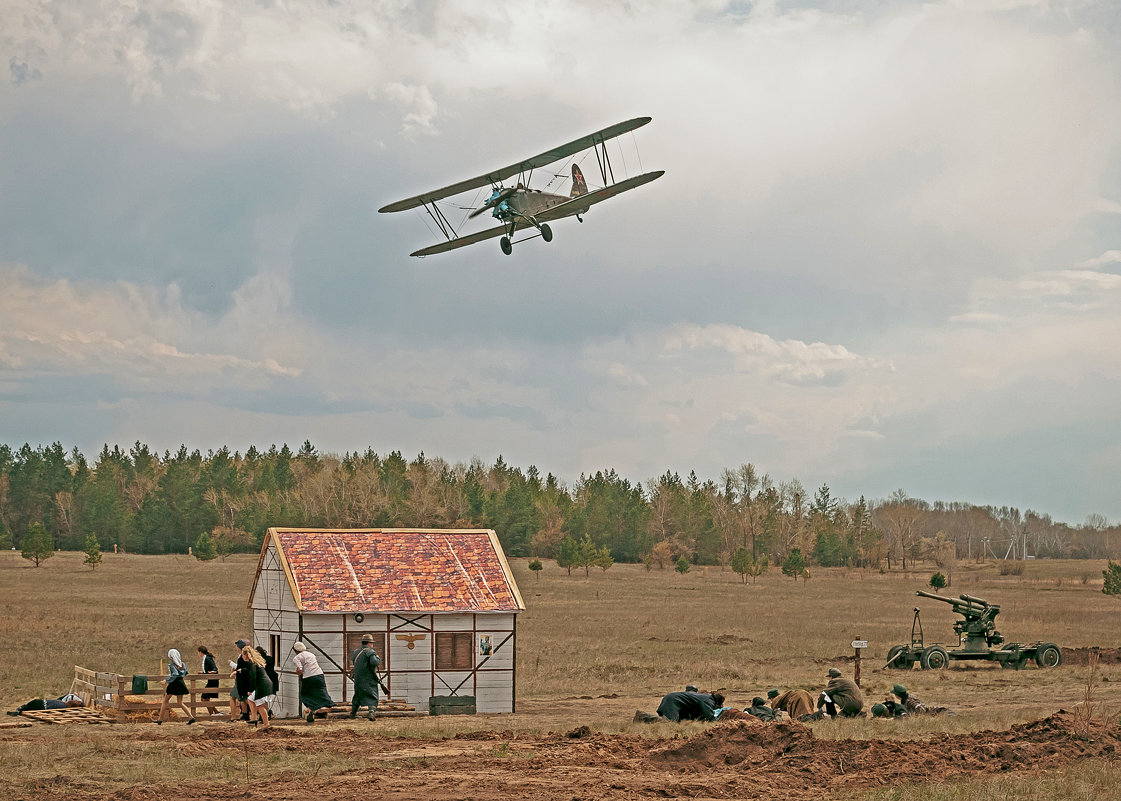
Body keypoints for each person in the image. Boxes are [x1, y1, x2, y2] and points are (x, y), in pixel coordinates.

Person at [293, 641, 335, 723]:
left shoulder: (297, 658)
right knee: (321, 691)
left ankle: (313, 709)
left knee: (305, 694)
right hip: (319, 674)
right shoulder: (311, 654)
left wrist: (298, 673)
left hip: (308, 677)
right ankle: (328, 704)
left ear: (295, 650)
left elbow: (300, 670)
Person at [157, 649, 194, 725]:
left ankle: (160, 719)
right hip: (181, 683)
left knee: (165, 701)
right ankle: (191, 717)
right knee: (180, 702)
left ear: (171, 657)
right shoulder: (182, 664)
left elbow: (175, 674)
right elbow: (186, 672)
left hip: (174, 684)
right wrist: (181, 676)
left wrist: (166, 680)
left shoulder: (172, 665)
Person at [350, 634, 381, 721]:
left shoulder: (356, 652)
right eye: (372, 643)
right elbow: (374, 663)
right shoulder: (370, 652)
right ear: (369, 643)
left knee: (358, 695)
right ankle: (371, 713)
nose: (372, 645)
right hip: (369, 678)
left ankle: (353, 713)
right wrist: (378, 658)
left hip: (358, 679)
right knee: (372, 695)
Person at [241, 644, 272, 729]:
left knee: (260, 705)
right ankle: (254, 719)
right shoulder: (253, 663)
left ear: (245, 655)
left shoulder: (252, 664)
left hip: (262, 686)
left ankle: (266, 725)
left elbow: (253, 678)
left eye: (242, 655)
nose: (242, 657)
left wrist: (250, 690)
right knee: (250, 699)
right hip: (264, 684)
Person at [655, 690, 725, 722]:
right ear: (716, 703)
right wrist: (715, 722)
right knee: (670, 723)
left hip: (672, 700)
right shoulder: (708, 700)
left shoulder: (705, 697)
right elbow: (708, 715)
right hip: (672, 702)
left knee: (675, 722)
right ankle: (646, 717)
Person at [229, 638, 253, 722]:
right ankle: (246, 715)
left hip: (242, 681)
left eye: (237, 647)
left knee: (233, 697)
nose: (236, 648)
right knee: (245, 699)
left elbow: (245, 668)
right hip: (242, 680)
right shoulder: (242, 656)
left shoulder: (242, 657)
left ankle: (233, 717)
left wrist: (236, 671)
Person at [198, 645, 221, 717]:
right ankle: (215, 713)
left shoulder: (207, 658)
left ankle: (214, 714)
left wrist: (214, 671)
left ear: (200, 652)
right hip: (211, 680)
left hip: (213, 680)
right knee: (206, 699)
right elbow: (209, 669)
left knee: (204, 699)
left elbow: (214, 668)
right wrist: (203, 673)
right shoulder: (206, 658)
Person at [7, 697, 83, 715]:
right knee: (33, 703)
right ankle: (21, 709)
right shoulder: (63, 703)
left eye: (76, 702)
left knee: (30, 706)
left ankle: (19, 711)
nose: (75, 700)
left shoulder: (64, 707)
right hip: (42, 702)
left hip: (42, 706)